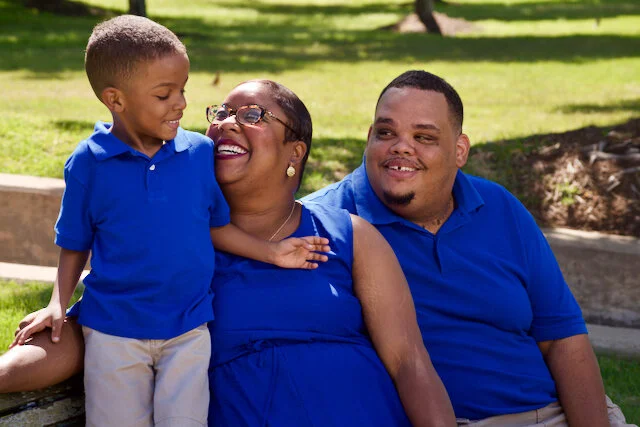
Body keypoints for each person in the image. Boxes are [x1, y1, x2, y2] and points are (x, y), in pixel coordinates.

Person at [0, 79, 457, 427]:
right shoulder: (171, 239)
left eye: (254, 114)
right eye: (218, 111)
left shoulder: (347, 235)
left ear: (293, 153)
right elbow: (89, 335)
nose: (224, 122)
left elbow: (409, 363)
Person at [9, 17, 329, 427]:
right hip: (113, 332)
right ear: (116, 99)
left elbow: (213, 226)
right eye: (164, 95)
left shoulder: (197, 154)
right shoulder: (88, 163)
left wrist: (272, 252)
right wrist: (57, 302)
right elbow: (75, 239)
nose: (180, 103)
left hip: (189, 329)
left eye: (183, 89)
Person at [303, 70, 636, 426]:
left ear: (459, 150)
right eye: (386, 133)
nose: (401, 147)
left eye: (424, 137)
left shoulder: (498, 206)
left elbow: (563, 339)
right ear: (369, 138)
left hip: (554, 414)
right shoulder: (325, 223)